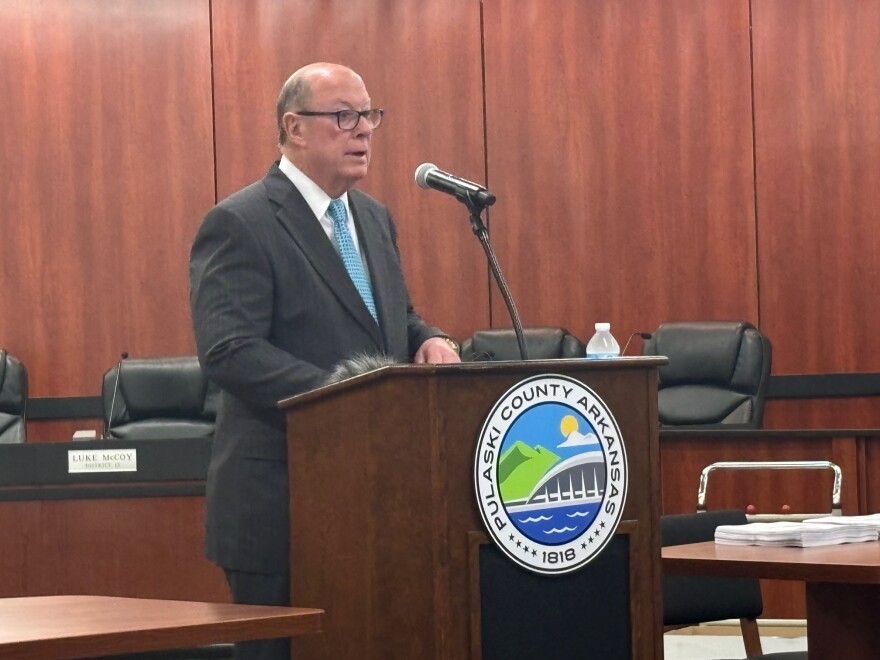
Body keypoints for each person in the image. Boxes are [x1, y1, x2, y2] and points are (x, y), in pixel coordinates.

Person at [189, 62, 460, 660]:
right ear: (295, 128)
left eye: (369, 116)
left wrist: (428, 337)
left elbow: (391, 317)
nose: (363, 130)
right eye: (344, 116)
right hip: (280, 505)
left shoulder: (373, 217)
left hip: (374, 501)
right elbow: (228, 350)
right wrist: (342, 391)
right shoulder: (241, 222)